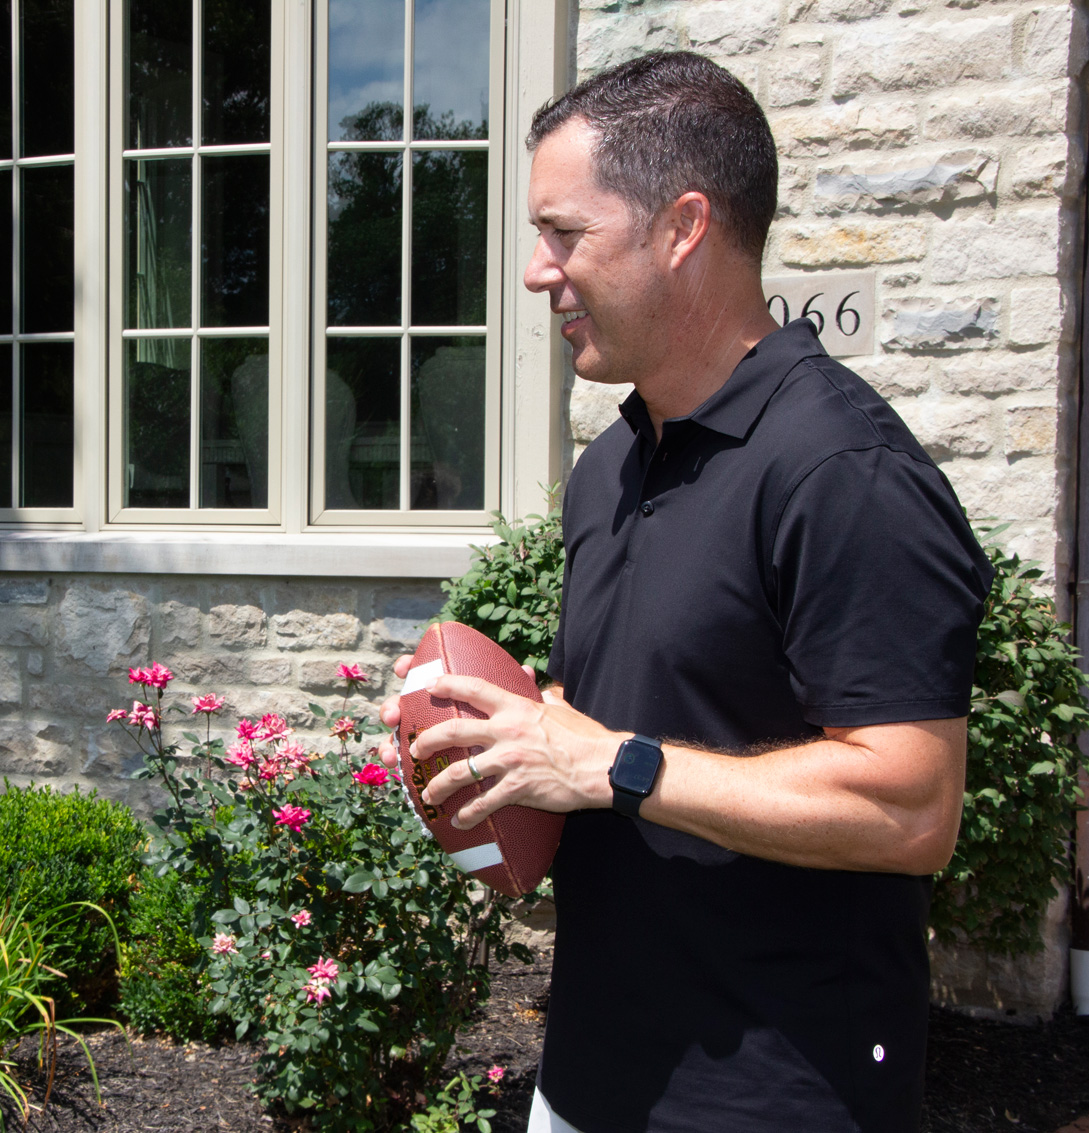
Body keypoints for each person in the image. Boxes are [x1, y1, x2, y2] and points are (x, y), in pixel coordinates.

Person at [381, 52, 994, 1133]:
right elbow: (616, 731)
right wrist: (498, 753)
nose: (535, 271)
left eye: (565, 233)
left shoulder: (838, 472)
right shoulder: (611, 466)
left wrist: (607, 760)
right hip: (588, 1072)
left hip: (773, 1096)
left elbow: (910, 806)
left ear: (682, 227)